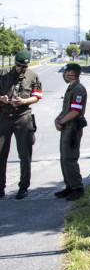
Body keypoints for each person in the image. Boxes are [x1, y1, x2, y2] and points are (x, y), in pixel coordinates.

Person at [0, 50, 42, 200]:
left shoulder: (33, 76)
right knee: (1, 153)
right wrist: (3, 99)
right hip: (4, 115)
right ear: (15, 62)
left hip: (23, 116)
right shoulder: (3, 73)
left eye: (24, 66)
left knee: (25, 154)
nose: (21, 68)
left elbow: (37, 96)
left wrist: (24, 101)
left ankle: (23, 186)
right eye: (19, 65)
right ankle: (0, 187)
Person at [54, 62, 87, 201]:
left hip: (72, 127)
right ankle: (69, 186)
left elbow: (75, 111)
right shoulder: (71, 88)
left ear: (71, 73)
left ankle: (77, 188)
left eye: (66, 71)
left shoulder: (78, 89)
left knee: (70, 158)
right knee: (64, 158)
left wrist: (62, 121)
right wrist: (58, 119)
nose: (65, 74)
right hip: (66, 126)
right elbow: (66, 108)